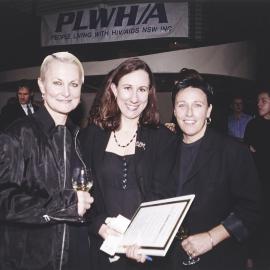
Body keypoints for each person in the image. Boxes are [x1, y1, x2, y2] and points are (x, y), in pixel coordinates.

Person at [80, 57, 177, 270]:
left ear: (149, 93)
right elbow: (81, 191)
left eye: (142, 89)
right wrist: (99, 226)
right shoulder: (91, 137)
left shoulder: (163, 138)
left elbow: (162, 194)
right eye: (127, 88)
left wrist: (145, 237)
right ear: (114, 89)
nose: (134, 98)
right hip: (102, 248)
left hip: (144, 249)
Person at [0, 52, 94, 270]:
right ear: (42, 86)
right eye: (57, 83)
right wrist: (64, 205)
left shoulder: (79, 137)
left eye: (73, 84)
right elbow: (3, 200)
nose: (66, 92)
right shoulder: (18, 134)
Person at [167, 72, 261, 270]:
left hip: (218, 257)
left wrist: (211, 237)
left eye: (197, 105)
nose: (189, 113)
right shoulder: (165, 150)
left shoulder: (233, 151)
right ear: (174, 111)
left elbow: (252, 209)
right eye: (182, 105)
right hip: (174, 258)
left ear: (209, 110)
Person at [244, 88, 270, 269]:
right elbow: (249, 153)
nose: (258, 104)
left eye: (264, 100)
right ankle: (250, 257)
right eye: (258, 100)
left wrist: (258, 152)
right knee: (255, 219)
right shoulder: (253, 124)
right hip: (258, 181)